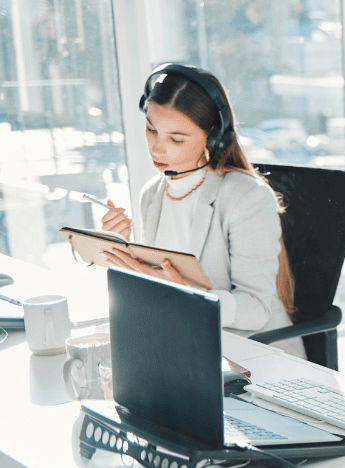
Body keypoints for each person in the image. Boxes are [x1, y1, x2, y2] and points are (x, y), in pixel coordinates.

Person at [99, 64, 301, 357]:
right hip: (183, 342)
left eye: (176, 139)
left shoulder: (247, 197)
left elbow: (257, 308)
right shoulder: (152, 194)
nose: (156, 148)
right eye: (151, 129)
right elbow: (159, 285)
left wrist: (190, 294)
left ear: (214, 137)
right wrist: (122, 252)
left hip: (249, 353)